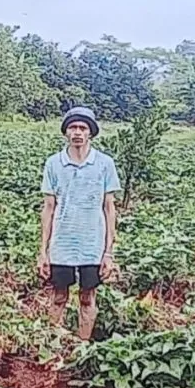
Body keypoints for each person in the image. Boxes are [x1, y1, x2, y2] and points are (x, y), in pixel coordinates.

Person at [37, 106, 121, 341]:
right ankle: (52, 345)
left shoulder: (104, 164)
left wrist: (108, 252)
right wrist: (43, 252)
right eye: (72, 127)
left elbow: (109, 208)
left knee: (87, 297)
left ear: (90, 133)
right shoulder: (54, 164)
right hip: (62, 244)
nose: (77, 132)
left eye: (82, 128)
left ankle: (81, 346)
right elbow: (48, 208)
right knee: (59, 296)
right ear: (66, 132)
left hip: (92, 244)